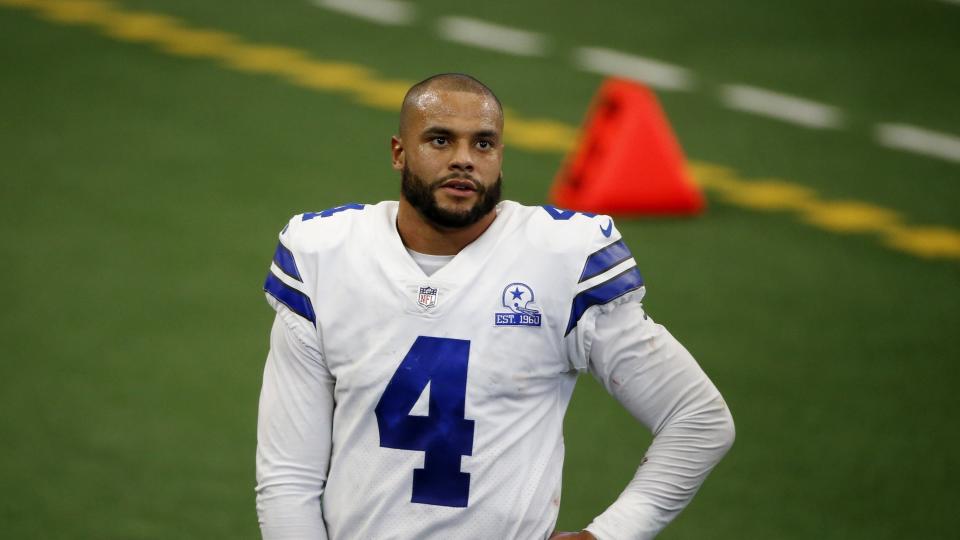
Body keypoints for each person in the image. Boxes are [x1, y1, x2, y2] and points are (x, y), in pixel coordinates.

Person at [256, 73, 735, 540]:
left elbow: (697, 417)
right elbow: (288, 479)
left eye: (483, 144)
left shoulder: (560, 259)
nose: (464, 160)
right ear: (399, 153)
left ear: (500, 156)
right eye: (440, 141)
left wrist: (607, 535)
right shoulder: (323, 256)